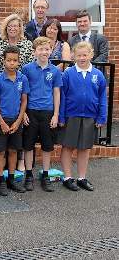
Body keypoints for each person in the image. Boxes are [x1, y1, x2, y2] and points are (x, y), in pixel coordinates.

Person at [59, 41, 107, 191]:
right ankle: (67, 177)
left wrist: (102, 117)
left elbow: (102, 97)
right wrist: (61, 117)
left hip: (90, 116)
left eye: (85, 55)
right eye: (79, 55)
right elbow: (62, 96)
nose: (82, 58)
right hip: (71, 115)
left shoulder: (98, 75)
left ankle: (81, 177)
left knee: (84, 148)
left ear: (91, 55)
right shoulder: (68, 73)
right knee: (68, 146)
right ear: (73, 56)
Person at [21, 36, 62, 192]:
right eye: (41, 49)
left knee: (47, 146)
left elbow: (56, 92)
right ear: (34, 52)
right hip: (31, 111)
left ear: (51, 51)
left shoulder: (55, 70)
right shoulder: (27, 69)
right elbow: (23, 92)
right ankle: (29, 174)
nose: (44, 52)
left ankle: (45, 175)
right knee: (28, 145)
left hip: (48, 112)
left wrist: (56, 114)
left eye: (47, 49)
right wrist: (23, 112)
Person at [0, 45, 29, 196]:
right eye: (9, 60)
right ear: (4, 61)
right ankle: (1, 180)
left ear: (19, 61)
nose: (11, 63)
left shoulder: (22, 79)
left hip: (16, 121)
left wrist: (19, 120)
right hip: (3, 120)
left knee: (13, 151)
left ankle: (11, 179)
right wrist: (2, 122)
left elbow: (24, 100)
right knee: (0, 151)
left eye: (15, 60)